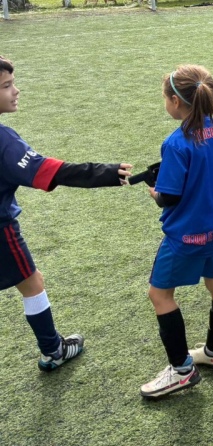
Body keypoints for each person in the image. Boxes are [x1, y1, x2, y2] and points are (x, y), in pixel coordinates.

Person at [0, 55, 131, 373]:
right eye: (6, 86)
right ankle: (53, 350)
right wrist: (108, 173)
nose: (16, 90)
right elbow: (51, 171)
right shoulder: (4, 142)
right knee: (32, 283)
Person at [140, 65, 213, 399]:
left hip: (185, 236)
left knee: (159, 295)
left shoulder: (176, 142)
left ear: (175, 101)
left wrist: (154, 191)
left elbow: (168, 196)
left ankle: (182, 371)